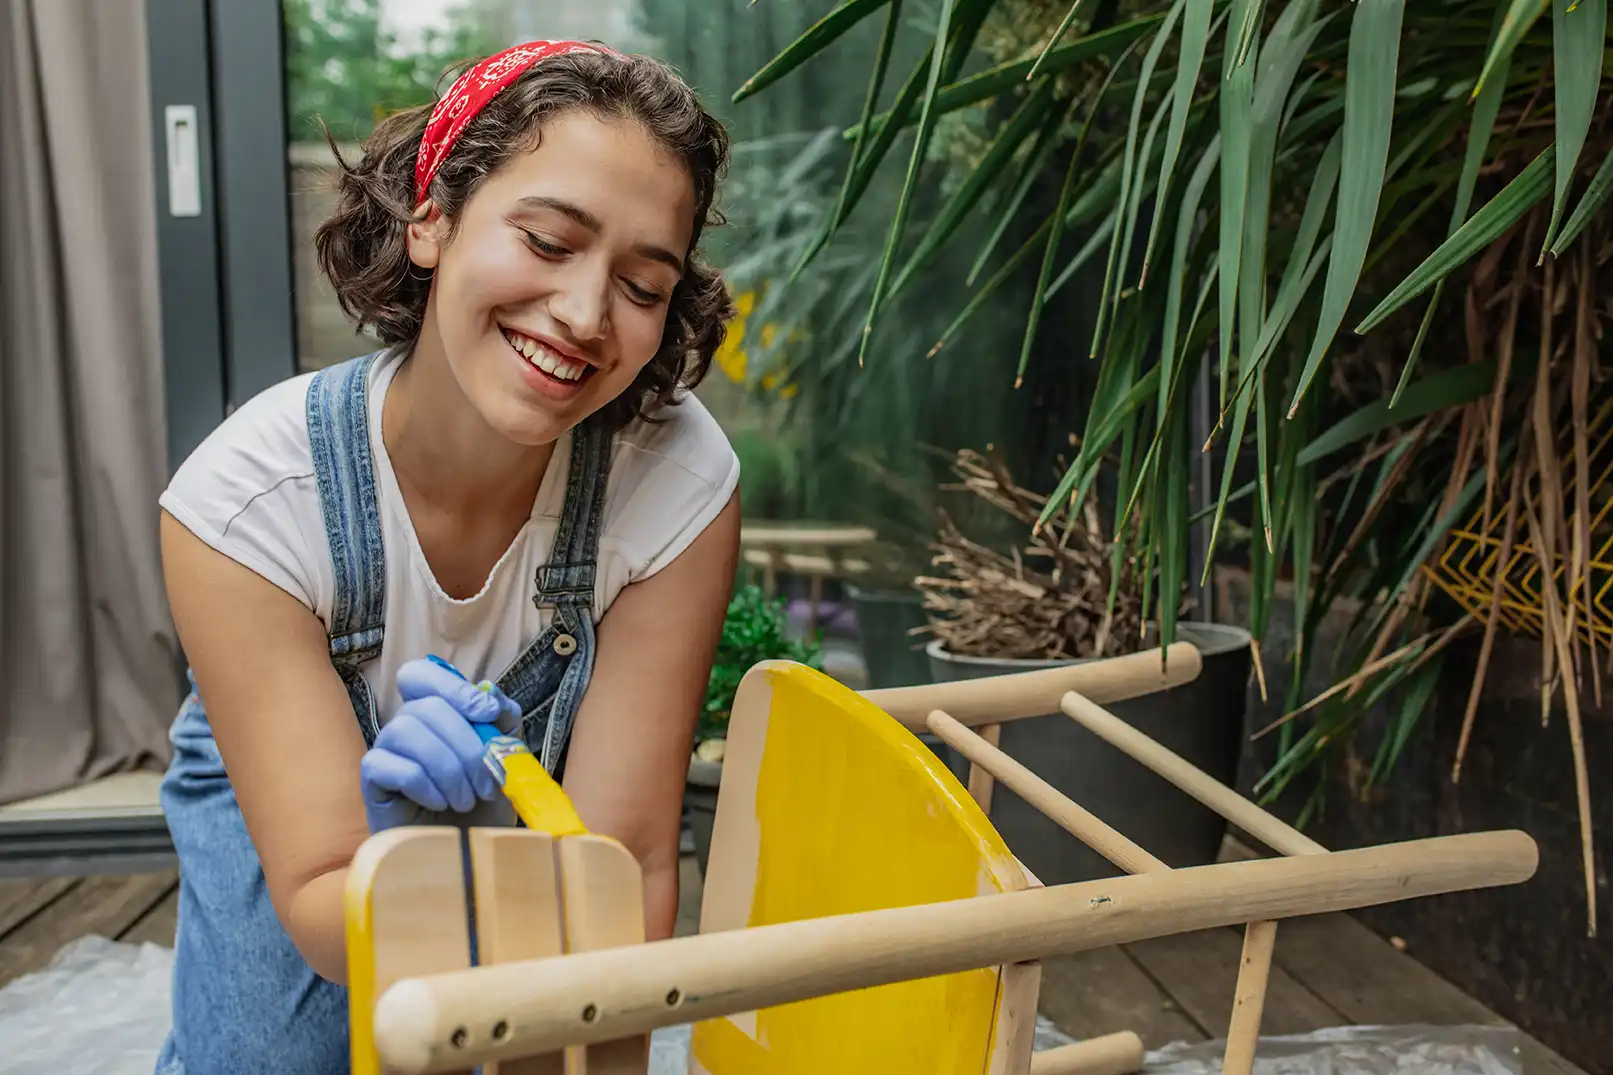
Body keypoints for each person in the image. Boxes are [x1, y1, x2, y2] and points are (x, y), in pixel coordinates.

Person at [153, 39, 741, 1074]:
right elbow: (324, 898)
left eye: (643, 285)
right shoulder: (248, 501)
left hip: (547, 834)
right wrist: (435, 866)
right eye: (548, 241)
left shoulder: (674, 482)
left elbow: (630, 873)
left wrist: (500, 856)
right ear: (430, 217)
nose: (584, 314)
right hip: (299, 820)